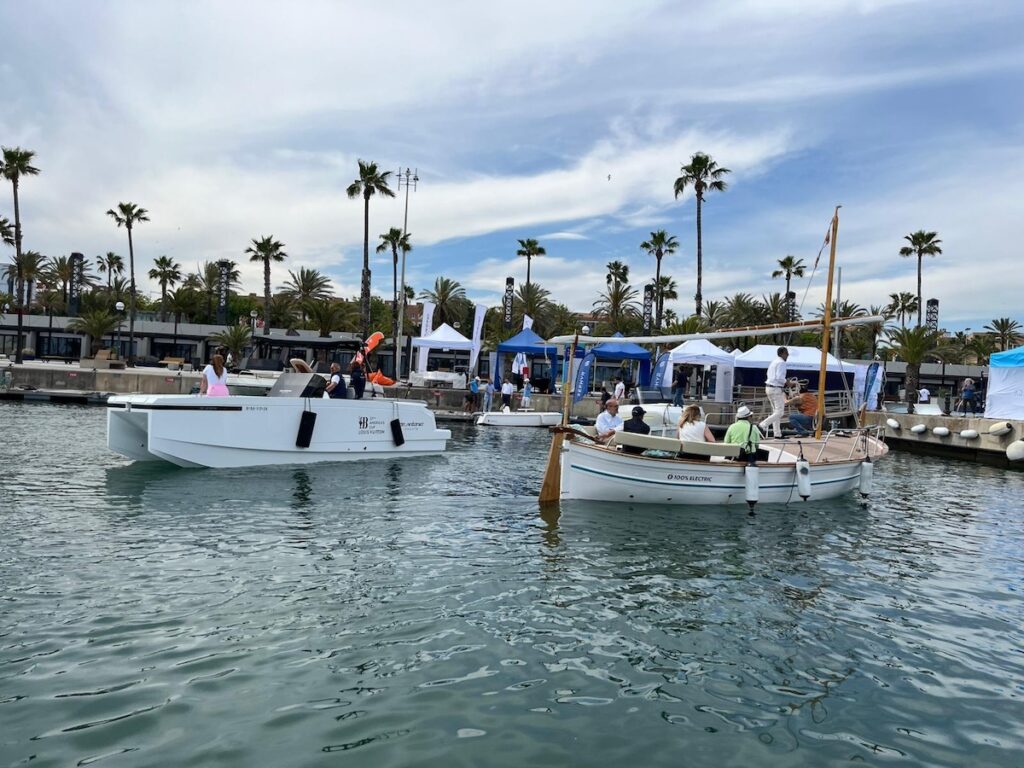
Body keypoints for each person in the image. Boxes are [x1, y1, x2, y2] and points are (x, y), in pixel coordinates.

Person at [758, 346, 789, 438]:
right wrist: (788, 382)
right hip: (776, 389)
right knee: (780, 412)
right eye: (786, 353)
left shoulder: (774, 362)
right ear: (782, 354)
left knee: (776, 412)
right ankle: (762, 425)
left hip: (769, 387)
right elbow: (779, 378)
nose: (788, 355)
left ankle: (777, 434)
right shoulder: (782, 363)